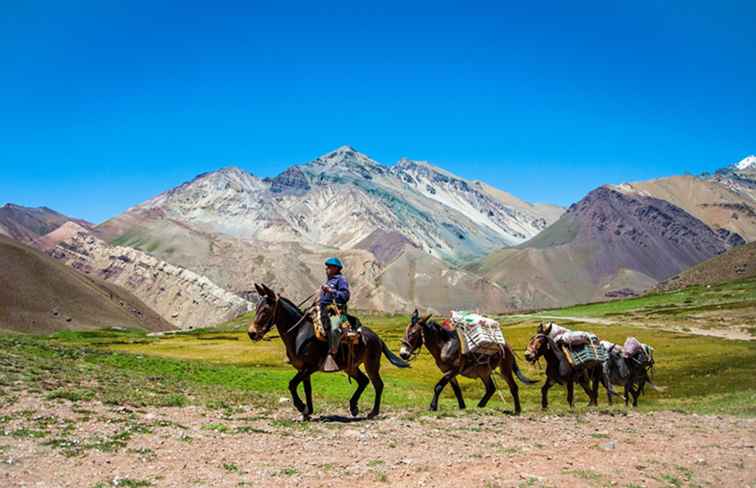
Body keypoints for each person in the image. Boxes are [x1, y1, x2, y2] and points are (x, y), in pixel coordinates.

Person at [320, 257, 350, 372]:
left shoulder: (341, 280)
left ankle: (332, 353)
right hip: (322, 310)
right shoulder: (329, 281)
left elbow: (345, 296)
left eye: (329, 267)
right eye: (326, 266)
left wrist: (331, 291)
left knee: (335, 330)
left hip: (337, 311)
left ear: (336, 268)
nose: (326, 268)